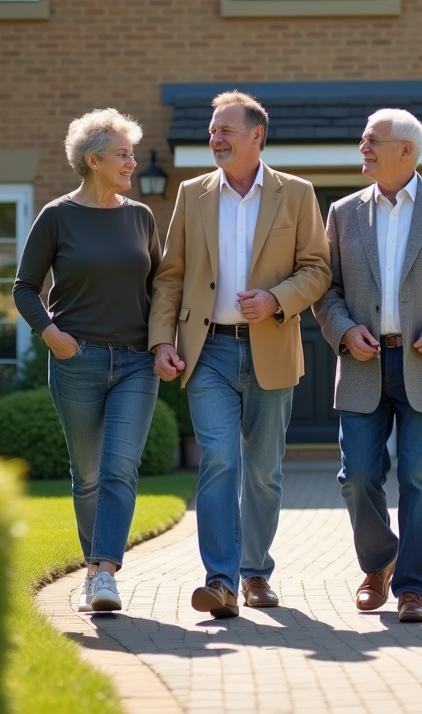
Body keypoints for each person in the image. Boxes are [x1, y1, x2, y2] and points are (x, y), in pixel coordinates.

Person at [149, 91, 331, 618]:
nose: (215, 139)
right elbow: (171, 277)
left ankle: (255, 573)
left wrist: (277, 299)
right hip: (207, 353)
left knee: (264, 471)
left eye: (226, 130)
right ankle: (221, 580)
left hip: (271, 350)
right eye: (211, 131)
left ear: (257, 136)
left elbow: (317, 269)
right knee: (220, 460)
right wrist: (163, 339)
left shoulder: (296, 194)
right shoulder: (192, 193)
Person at [312, 108, 422, 623]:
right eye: (363, 139)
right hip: (364, 364)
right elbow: (327, 290)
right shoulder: (343, 213)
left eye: (372, 141)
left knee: (419, 474)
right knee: (358, 476)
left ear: (406, 151)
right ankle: (379, 563)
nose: (362, 148)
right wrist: (345, 331)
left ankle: (412, 589)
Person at [13, 108, 161, 613]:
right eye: (123, 154)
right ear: (93, 159)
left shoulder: (141, 216)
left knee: (120, 468)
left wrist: (165, 343)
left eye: (132, 154)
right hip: (77, 360)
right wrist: (52, 335)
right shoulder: (57, 216)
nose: (132, 162)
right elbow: (25, 288)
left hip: (137, 362)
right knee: (89, 472)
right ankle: (95, 571)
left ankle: (102, 575)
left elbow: (161, 288)